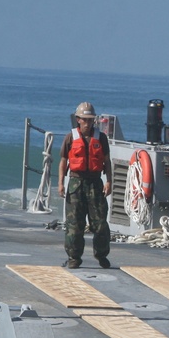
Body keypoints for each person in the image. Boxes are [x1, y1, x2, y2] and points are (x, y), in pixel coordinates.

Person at [58, 101, 112, 269]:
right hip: (76, 184)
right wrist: (60, 182)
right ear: (78, 119)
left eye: (91, 120)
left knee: (101, 224)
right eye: (85, 119)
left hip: (95, 183)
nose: (88, 123)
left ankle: (101, 255)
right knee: (74, 225)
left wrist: (109, 181)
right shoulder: (70, 138)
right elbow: (63, 161)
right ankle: (74, 257)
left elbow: (106, 161)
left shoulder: (101, 138)